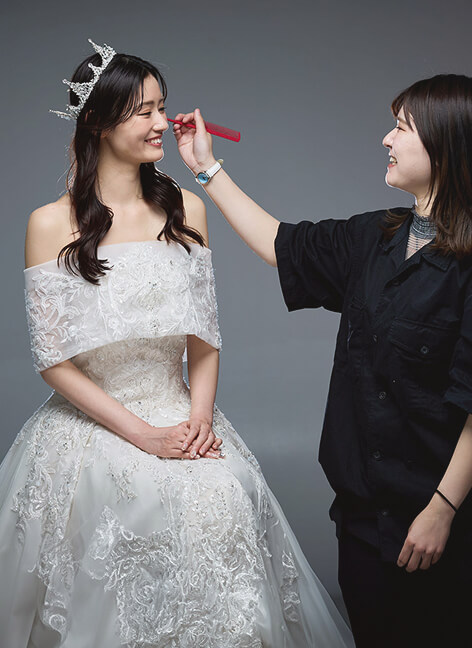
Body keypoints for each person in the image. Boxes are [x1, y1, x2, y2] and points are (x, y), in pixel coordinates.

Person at [0, 38, 354, 647]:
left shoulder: (185, 207)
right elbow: (52, 360)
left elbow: (205, 335)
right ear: (97, 122)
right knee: (132, 502)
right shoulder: (49, 223)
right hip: (94, 419)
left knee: (227, 495)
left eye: (163, 106)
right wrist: (143, 436)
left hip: (181, 410)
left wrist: (198, 420)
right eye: (144, 111)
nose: (162, 122)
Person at [173, 73, 472, 648]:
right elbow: (280, 245)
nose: (386, 139)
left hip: (438, 523)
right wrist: (205, 168)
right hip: (361, 522)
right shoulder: (373, 236)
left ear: (445, 143)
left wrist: (442, 509)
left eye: (402, 128)